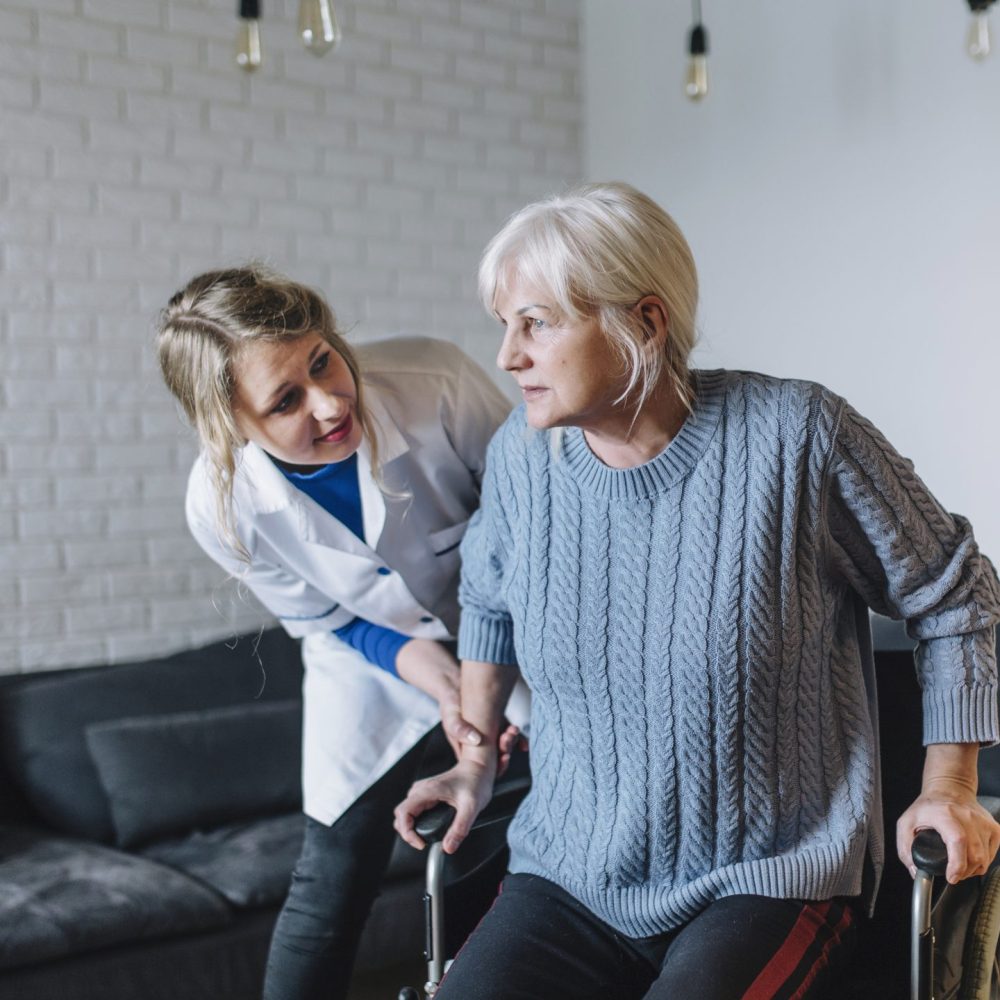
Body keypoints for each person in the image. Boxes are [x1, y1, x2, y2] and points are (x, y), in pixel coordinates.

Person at [394, 182, 1000, 1000]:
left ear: (644, 322)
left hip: (769, 875)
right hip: (571, 875)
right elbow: (492, 599)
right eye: (505, 325)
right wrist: (472, 762)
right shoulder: (520, 459)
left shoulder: (798, 439)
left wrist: (950, 790)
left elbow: (955, 592)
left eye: (537, 322)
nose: (508, 356)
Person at [156, 265, 516, 1000]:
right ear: (230, 423)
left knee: (496, 841)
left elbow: (535, 526)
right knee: (330, 869)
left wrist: (484, 690)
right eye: (285, 400)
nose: (328, 402)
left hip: (518, 633)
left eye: (323, 360)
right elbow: (331, 618)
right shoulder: (222, 505)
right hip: (368, 660)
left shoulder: (434, 381)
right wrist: (448, 687)